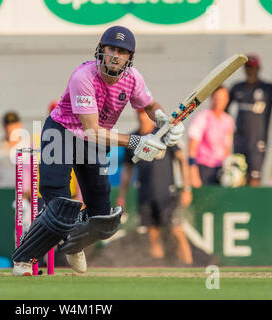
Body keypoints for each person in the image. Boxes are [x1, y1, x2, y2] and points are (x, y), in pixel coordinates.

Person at [12, 26, 185, 276]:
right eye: (112, 49)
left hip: (93, 142)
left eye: (122, 52)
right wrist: (136, 141)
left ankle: (75, 241)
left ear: (130, 57)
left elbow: (148, 104)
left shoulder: (133, 78)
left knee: (103, 218)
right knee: (58, 207)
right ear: (101, 50)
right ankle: (24, 260)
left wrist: (162, 119)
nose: (116, 56)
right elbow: (91, 129)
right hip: (62, 133)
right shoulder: (83, 76)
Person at [116, 110, 193, 265]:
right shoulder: (133, 138)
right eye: (138, 113)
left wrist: (186, 188)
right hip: (145, 192)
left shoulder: (163, 134)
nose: (141, 116)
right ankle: (159, 267)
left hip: (167, 191)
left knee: (176, 230)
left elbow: (182, 160)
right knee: (152, 231)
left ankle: (189, 265)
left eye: (144, 113)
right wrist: (122, 196)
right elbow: (127, 171)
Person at [227, 54, 272, 186]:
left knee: (255, 177)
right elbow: (223, 108)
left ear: (258, 68)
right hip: (239, 140)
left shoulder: (267, 88)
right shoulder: (237, 87)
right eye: (248, 67)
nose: (250, 71)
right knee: (237, 177)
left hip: (258, 141)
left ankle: (251, 205)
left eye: (253, 67)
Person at [188, 86, 235, 187]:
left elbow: (227, 147)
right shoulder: (203, 117)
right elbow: (192, 146)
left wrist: (230, 170)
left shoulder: (228, 120)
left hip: (220, 170)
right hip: (203, 168)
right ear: (212, 98)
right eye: (217, 98)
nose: (219, 102)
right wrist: (193, 172)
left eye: (222, 99)